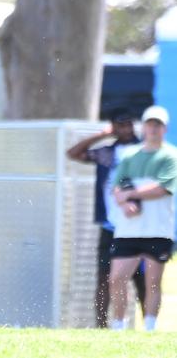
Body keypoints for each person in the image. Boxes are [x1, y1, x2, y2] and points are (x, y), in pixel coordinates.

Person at [66, 108, 145, 328]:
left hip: (139, 226)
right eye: (121, 125)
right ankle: (101, 326)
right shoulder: (106, 153)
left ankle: (149, 326)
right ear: (114, 127)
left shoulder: (143, 151)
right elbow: (73, 153)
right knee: (104, 278)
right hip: (110, 227)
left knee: (142, 279)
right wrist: (101, 135)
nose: (126, 129)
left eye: (129, 124)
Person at [109, 105, 177, 331]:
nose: (153, 129)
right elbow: (117, 187)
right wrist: (126, 202)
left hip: (158, 229)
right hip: (129, 230)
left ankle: (149, 327)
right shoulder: (130, 156)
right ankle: (118, 326)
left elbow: (163, 188)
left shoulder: (170, 156)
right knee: (117, 278)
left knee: (153, 282)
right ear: (144, 127)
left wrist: (132, 194)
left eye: (157, 125)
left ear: (164, 129)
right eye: (149, 124)